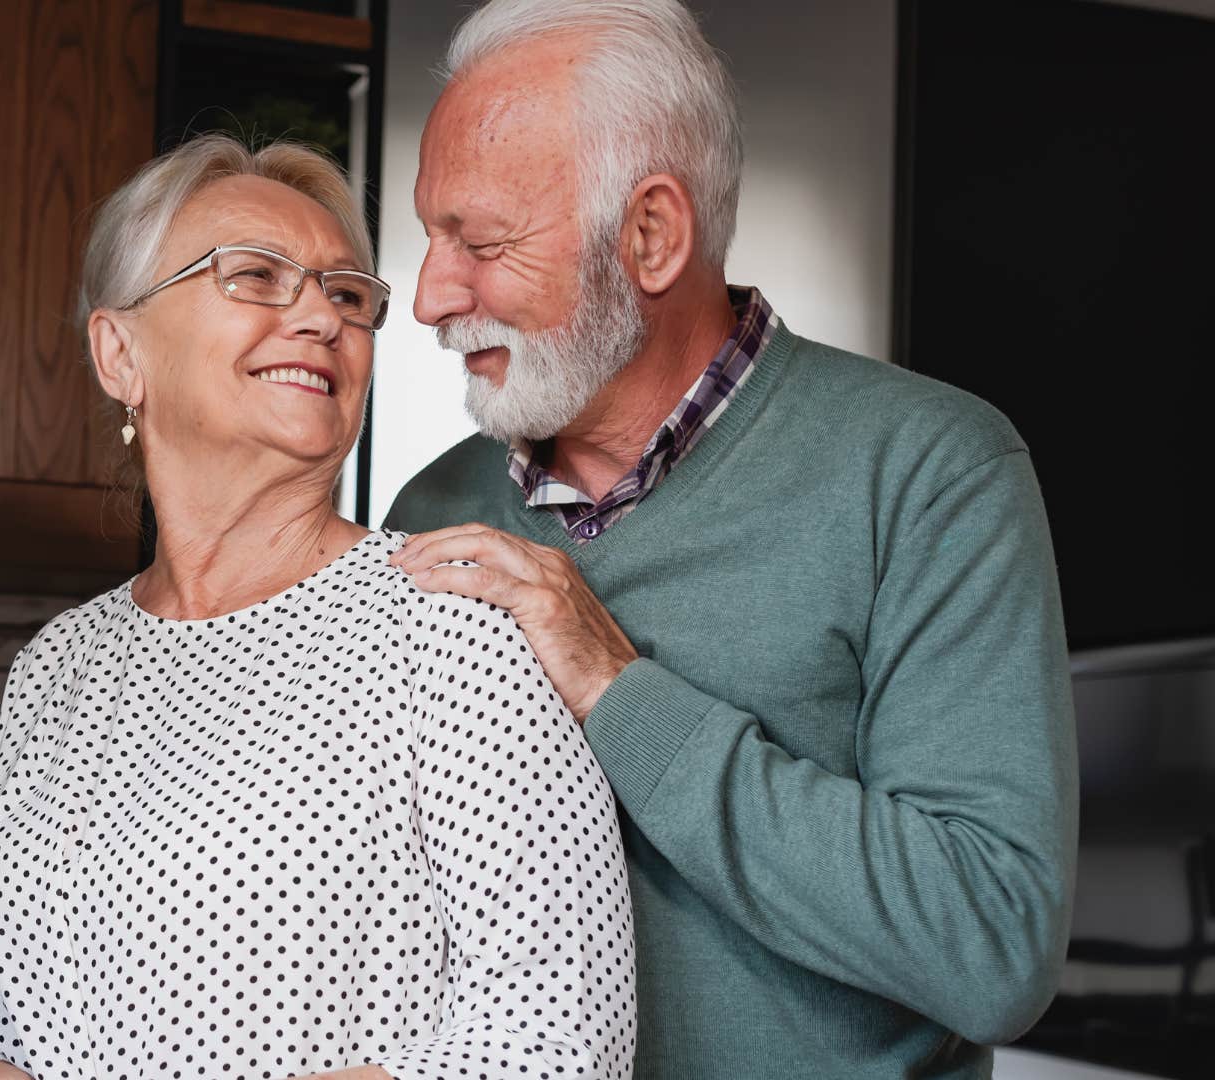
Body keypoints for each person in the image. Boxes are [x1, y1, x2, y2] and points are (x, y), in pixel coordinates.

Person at [383, 1, 1077, 1077]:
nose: (429, 296)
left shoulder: (933, 474)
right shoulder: (431, 513)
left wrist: (618, 689)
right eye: (432, 237)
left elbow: (993, 944)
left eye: (479, 241)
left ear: (652, 235)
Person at [0, 134, 637, 1080]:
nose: (320, 320)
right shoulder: (57, 663)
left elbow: (559, 1044)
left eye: (345, 295)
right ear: (119, 352)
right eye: (252, 275)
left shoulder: (454, 625)